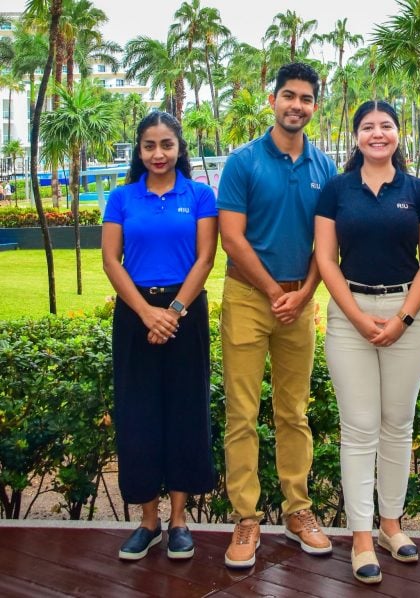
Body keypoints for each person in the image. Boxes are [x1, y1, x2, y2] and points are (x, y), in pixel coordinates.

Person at [315, 100, 420, 584]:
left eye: (385, 125)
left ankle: (391, 524)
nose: (377, 133)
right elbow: (327, 260)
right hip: (351, 318)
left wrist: (403, 319)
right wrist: (358, 317)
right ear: (356, 137)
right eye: (367, 127)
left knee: (397, 424)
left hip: (408, 315)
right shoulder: (336, 190)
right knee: (360, 426)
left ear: (398, 134)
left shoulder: (418, 191)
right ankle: (361, 535)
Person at [217, 62, 336, 569]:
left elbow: (327, 243)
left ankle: (298, 510)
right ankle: (246, 518)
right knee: (241, 413)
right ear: (273, 100)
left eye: (306, 98)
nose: (297, 105)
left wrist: (305, 292)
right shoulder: (242, 162)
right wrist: (272, 291)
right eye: (289, 96)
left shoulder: (323, 166)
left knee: (294, 411)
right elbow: (231, 237)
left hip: (300, 301)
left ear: (314, 106)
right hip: (248, 297)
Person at [102, 111, 217, 562]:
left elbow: (205, 259)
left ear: (179, 148)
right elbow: (112, 261)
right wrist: (147, 313)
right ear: (139, 149)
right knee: (139, 413)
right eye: (149, 145)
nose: (158, 154)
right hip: (135, 315)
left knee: (186, 411)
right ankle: (148, 522)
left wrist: (171, 312)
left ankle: (179, 521)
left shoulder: (200, 195)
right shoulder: (121, 198)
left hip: (184, 311)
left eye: (166, 145)